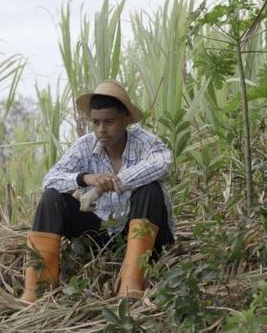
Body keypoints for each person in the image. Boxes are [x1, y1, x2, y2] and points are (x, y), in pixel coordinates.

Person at [21, 80, 174, 303]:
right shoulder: (85, 145)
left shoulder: (144, 141)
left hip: (147, 235)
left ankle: (131, 285)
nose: (102, 129)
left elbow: (163, 163)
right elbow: (50, 179)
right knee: (51, 197)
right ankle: (36, 291)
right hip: (104, 235)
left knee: (150, 188)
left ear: (125, 119)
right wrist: (85, 178)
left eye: (109, 122)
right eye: (96, 122)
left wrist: (118, 181)